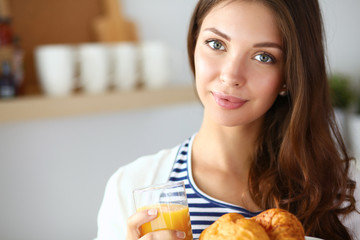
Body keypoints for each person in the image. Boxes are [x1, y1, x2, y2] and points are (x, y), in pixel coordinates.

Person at [95, 0, 360, 239]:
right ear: (194, 44)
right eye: (216, 44)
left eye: (263, 57)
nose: (231, 75)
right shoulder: (134, 185)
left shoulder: (345, 191)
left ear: (289, 76)